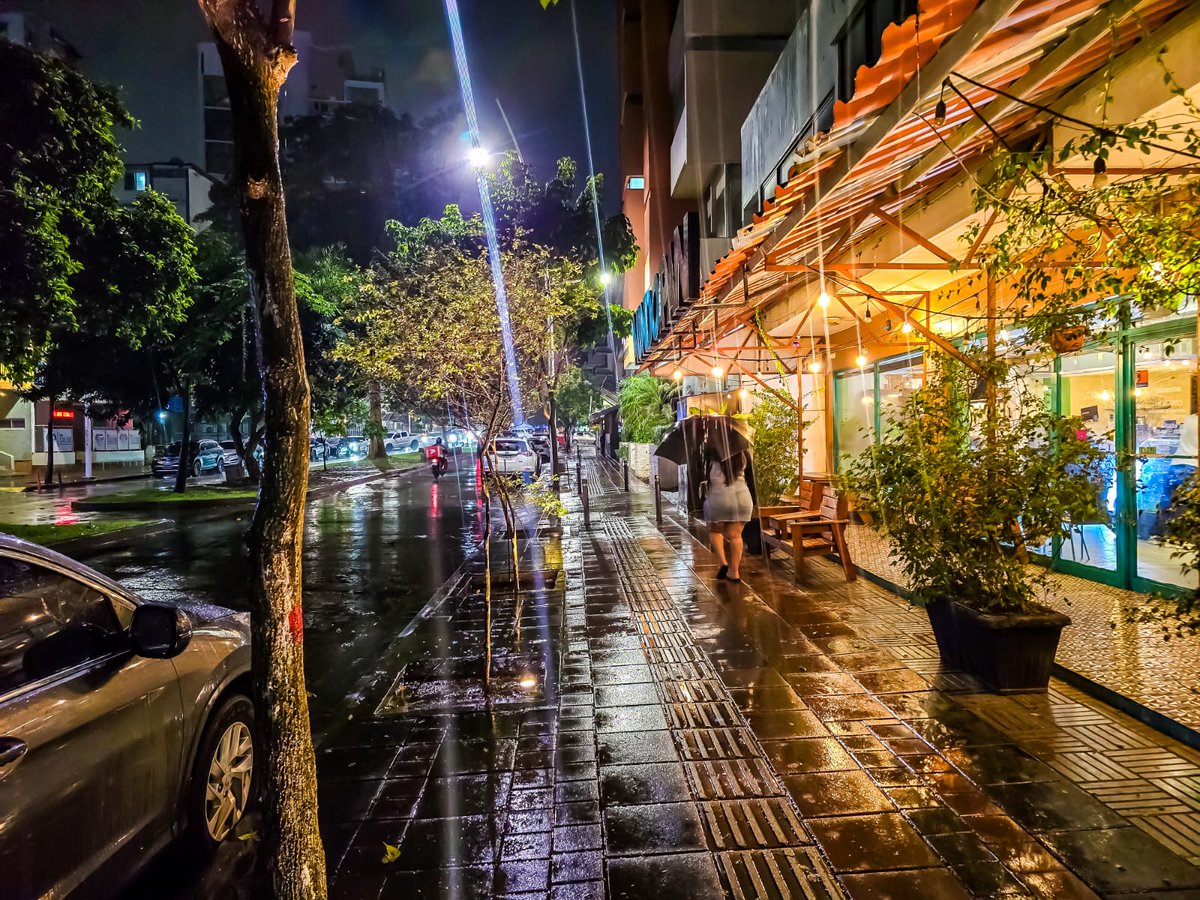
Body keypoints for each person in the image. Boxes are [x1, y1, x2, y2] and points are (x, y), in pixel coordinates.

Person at [702, 445, 753, 583]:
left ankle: (723, 563)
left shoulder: (710, 452)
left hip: (719, 498)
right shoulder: (744, 453)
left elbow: (702, 476)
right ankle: (734, 572)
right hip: (742, 498)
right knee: (736, 536)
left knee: (714, 530)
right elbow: (751, 478)